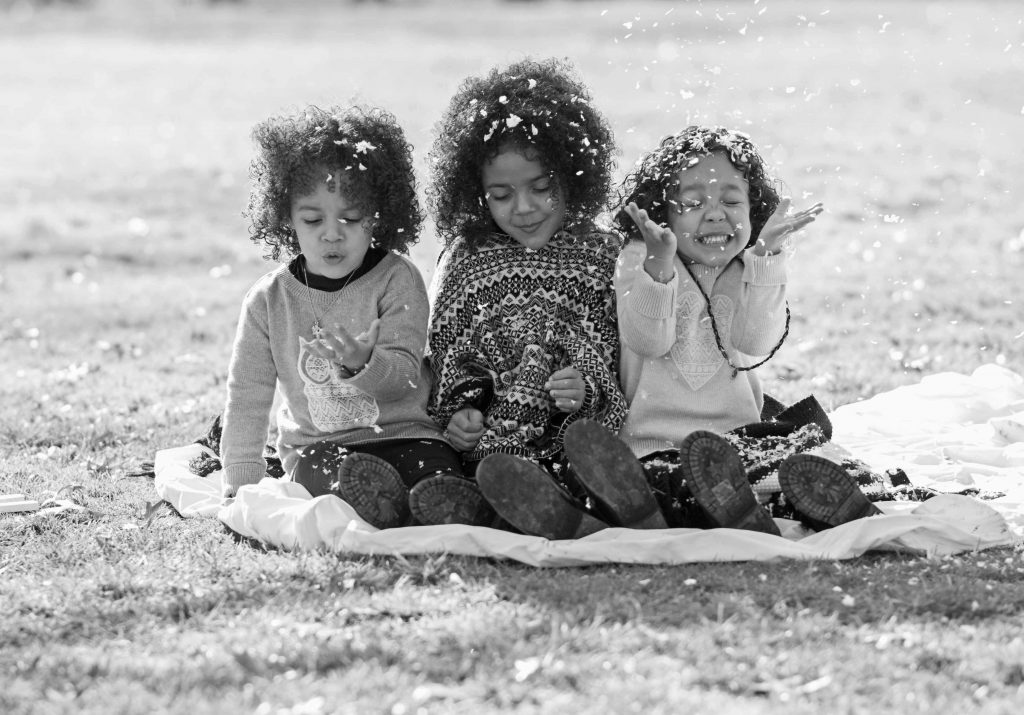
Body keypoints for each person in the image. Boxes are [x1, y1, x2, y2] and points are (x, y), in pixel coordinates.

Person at [423, 57, 665, 532]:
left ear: (573, 173)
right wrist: (461, 414)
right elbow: (449, 356)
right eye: (501, 195)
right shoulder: (465, 258)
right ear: (475, 191)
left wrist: (585, 388)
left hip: (574, 441)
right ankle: (521, 505)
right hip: (489, 448)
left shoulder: (602, 254)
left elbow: (622, 354)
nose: (524, 207)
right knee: (451, 473)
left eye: (541, 187)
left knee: (592, 463)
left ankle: (579, 508)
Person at [219, 104, 489, 529]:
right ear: (286, 217)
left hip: (406, 436)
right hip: (319, 448)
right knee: (327, 473)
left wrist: (363, 363)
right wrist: (240, 481)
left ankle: (439, 502)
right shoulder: (267, 300)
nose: (332, 233)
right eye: (313, 219)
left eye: (351, 218)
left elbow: (404, 378)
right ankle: (387, 506)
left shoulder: (398, 278)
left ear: (379, 215)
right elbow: (247, 396)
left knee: (436, 474)